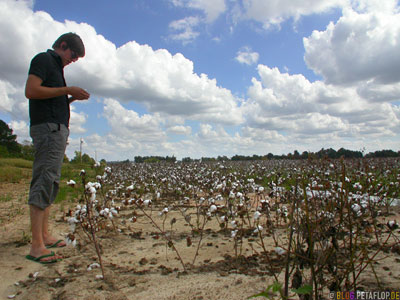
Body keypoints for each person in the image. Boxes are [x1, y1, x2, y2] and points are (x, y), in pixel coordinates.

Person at [25, 32, 90, 264]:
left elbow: (49, 98)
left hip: (55, 130)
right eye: (73, 55)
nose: (73, 60)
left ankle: (43, 235)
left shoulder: (56, 68)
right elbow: (31, 91)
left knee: (50, 181)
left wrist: (70, 98)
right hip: (48, 130)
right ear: (63, 46)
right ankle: (36, 246)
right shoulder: (43, 60)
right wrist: (66, 90)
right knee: (43, 180)